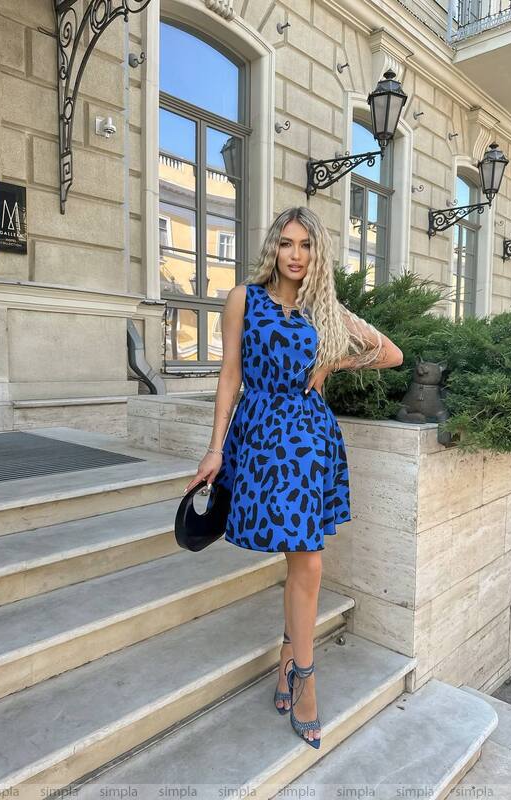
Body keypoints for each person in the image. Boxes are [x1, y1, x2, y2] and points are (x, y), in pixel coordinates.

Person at [182, 206, 403, 749]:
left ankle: (302, 675)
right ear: (273, 249)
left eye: (306, 244)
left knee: (307, 556)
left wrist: (332, 361)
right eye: (286, 243)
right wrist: (215, 449)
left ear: (317, 252)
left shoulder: (325, 308)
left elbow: (392, 354)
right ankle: (291, 656)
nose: (296, 254)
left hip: (308, 440)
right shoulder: (244, 299)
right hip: (259, 437)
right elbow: (230, 373)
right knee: (295, 554)